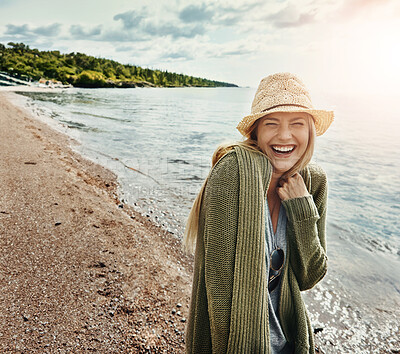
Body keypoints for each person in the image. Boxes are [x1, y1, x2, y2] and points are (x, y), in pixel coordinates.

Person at [183, 72, 334, 353]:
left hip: (291, 339)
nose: (285, 135)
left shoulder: (314, 181)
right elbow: (218, 290)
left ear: (310, 130)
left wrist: (301, 209)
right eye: (272, 124)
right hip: (233, 342)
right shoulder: (233, 173)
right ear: (256, 131)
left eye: (297, 124)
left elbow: (310, 276)